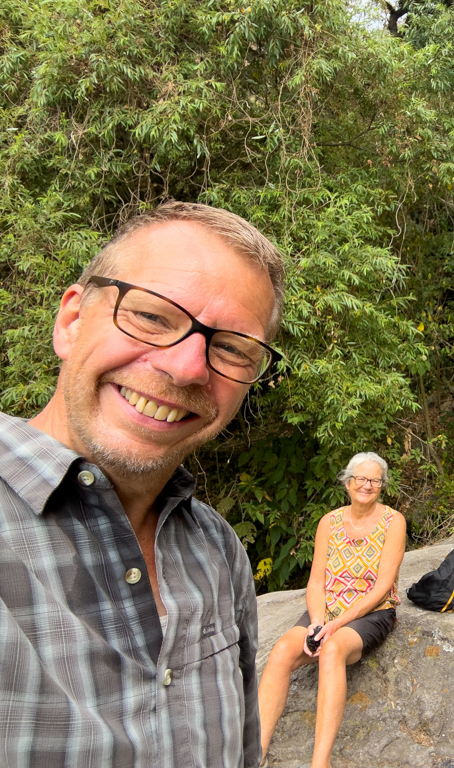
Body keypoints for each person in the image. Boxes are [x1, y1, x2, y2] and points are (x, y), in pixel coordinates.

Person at [0, 202, 285, 767]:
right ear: (72, 320)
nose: (185, 368)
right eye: (153, 317)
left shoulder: (218, 551)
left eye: (230, 348)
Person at [258, 452, 406, 768]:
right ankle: (254, 752)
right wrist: (316, 622)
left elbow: (382, 587)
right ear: (348, 481)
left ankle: (319, 762)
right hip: (328, 608)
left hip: (372, 612)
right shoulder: (330, 521)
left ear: (382, 485)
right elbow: (315, 583)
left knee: (331, 649)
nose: (367, 486)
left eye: (375, 480)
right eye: (361, 479)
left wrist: (336, 625)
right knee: (283, 649)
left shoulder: (394, 522)